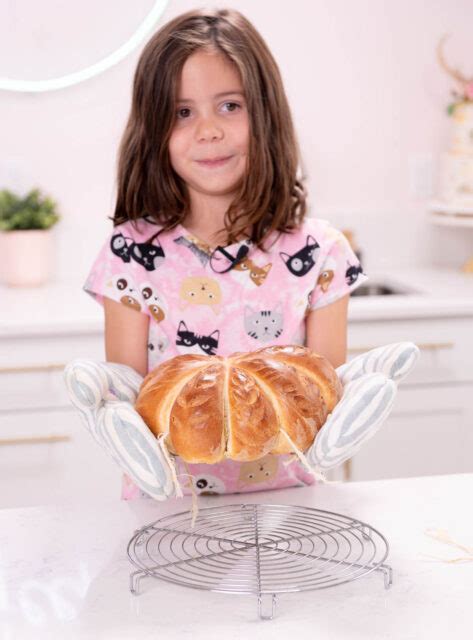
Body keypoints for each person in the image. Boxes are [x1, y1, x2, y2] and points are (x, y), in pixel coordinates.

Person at [83, 7, 368, 500]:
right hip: (165, 516)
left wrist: (361, 403)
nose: (209, 130)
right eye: (182, 112)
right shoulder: (131, 253)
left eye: (230, 106)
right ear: (155, 131)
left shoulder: (320, 254)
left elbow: (320, 399)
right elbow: (130, 403)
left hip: (289, 514)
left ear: (265, 113)